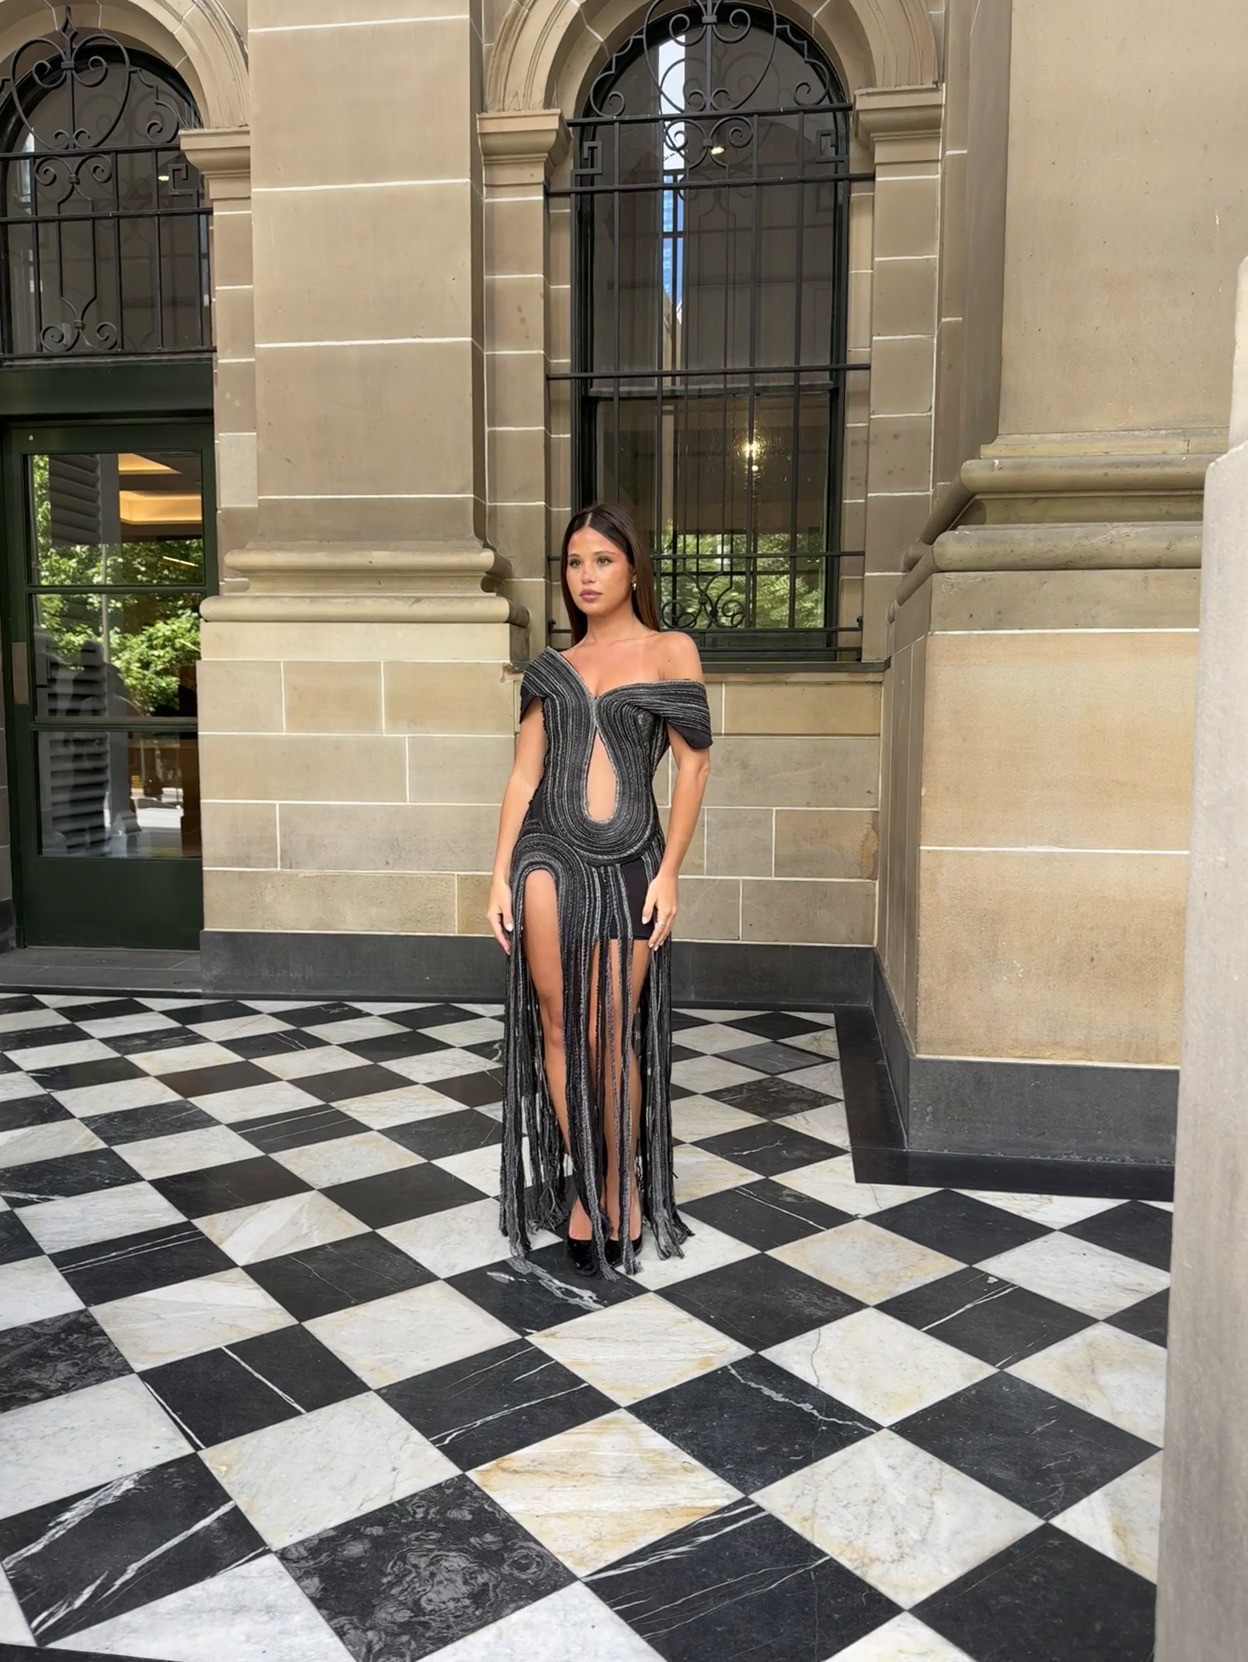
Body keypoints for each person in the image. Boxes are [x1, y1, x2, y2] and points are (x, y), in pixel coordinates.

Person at [486, 505, 712, 1278]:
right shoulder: (550, 668)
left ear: (633, 569)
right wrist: (496, 875)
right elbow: (524, 776)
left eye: (603, 561)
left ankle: (623, 1180)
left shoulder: (670, 650)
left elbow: (694, 767)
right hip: (546, 854)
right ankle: (588, 1181)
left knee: (608, 1030)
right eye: (575, 562)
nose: (586, 576)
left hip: (628, 861)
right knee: (557, 1025)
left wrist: (672, 870)